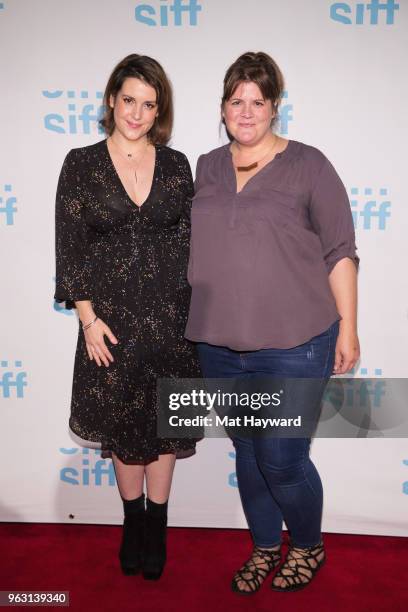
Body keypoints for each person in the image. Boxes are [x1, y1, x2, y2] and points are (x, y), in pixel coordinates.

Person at [185, 51, 360, 594]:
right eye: (236, 100)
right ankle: (265, 547)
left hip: (296, 344)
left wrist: (349, 328)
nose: (246, 110)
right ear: (222, 107)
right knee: (248, 452)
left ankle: (307, 545)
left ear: (274, 107)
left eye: (257, 101)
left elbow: (340, 251)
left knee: (282, 458)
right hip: (218, 345)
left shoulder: (310, 164)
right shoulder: (205, 166)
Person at [54, 54, 200, 580]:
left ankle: (156, 526)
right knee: (123, 430)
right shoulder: (81, 163)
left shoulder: (179, 165)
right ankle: (132, 523)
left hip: (172, 323)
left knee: (163, 429)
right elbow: (70, 250)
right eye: (130, 99)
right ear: (112, 99)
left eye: (149, 104)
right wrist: (87, 320)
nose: (137, 112)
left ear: (159, 110)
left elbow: (194, 247)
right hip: (109, 326)